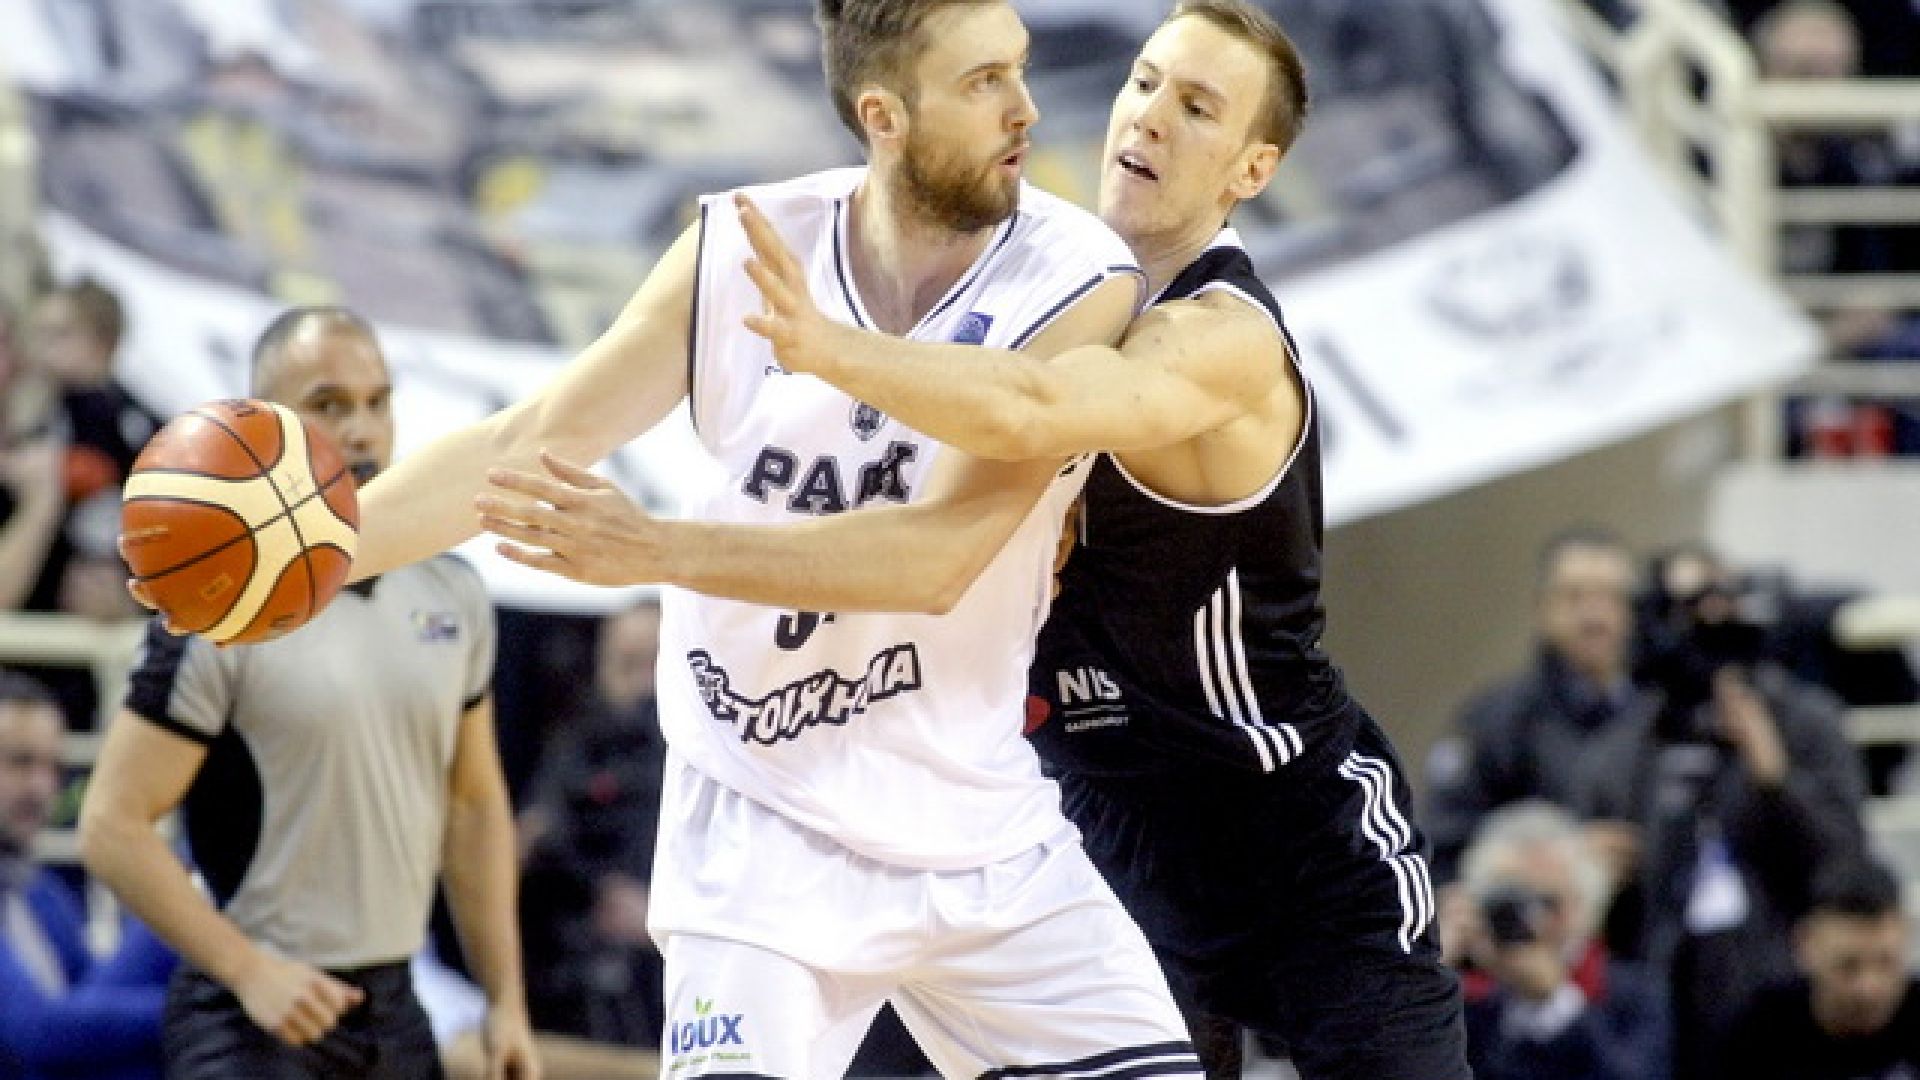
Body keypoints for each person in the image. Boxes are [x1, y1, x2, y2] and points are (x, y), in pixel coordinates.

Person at [471, 3, 1470, 1077]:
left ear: (1253, 168)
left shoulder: (1222, 333)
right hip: (1093, 812)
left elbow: (1033, 408)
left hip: (1282, 819)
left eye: (1196, 107)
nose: (1147, 117)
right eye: (1143, 82)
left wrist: (825, 347)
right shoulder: (1033, 281)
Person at [294, 1, 1203, 1075]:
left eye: (1019, 68)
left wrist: (658, 550)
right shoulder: (742, 245)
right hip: (760, 827)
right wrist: (308, 558)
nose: (1026, 109)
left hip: (978, 829)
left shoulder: (1077, 274)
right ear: (885, 115)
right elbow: (528, 442)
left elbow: (938, 560)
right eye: (982, 81)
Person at [82, 307, 538, 1080]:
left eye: (377, 401)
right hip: (254, 1016)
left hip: (396, 1007)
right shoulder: (218, 608)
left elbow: (474, 808)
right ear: (267, 425)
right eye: (329, 405)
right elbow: (109, 826)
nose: (361, 430)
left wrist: (506, 1000)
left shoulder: (453, 591)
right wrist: (248, 970)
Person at [1578, 545, 1869, 1080]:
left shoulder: (1805, 721)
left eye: (1724, 600)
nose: (1711, 621)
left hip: (1783, 984)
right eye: (1691, 605)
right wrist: (1591, 870)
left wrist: (1776, 776)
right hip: (1661, 985)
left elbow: (1847, 859)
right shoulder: (1628, 744)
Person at [1425, 526, 1656, 886]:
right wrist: (1562, 861)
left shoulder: (1663, 713)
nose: (1595, 617)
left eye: (1612, 598)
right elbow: (1443, 846)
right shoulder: (1495, 721)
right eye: (1574, 597)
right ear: (1541, 608)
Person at [0, 669, 176, 1080]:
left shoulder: (40, 892)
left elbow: (93, 1004)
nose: (40, 787)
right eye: (19, 762)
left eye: (53, 767)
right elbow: (34, 1033)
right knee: (176, 893)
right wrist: (197, 1008)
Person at [1447, 802, 1669, 1080]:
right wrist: (1427, 969)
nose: (1533, 922)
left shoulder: (1632, 994)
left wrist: (1556, 1000)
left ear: (1584, 906)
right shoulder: (1462, 997)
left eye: (1548, 902)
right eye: (1512, 902)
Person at [1722, 858, 1920, 1080]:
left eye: (1886, 963)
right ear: (1805, 946)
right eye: (1848, 966)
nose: (1868, 988)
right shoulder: (1758, 1034)